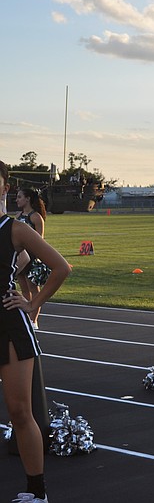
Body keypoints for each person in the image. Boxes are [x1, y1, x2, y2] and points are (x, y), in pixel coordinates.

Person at [1, 160, 72, 503]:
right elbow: (24, 264)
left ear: (3, 187)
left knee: (19, 411)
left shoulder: (14, 229)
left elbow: (61, 267)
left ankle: (37, 493)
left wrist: (32, 304)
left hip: (8, 325)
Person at [15, 189, 48, 328]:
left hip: (32, 258)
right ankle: (26, 317)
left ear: (27, 199)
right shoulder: (18, 216)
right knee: (24, 290)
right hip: (21, 257)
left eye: (19, 197)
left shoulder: (35, 217)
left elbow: (40, 241)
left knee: (34, 289)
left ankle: (34, 320)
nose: (16, 200)